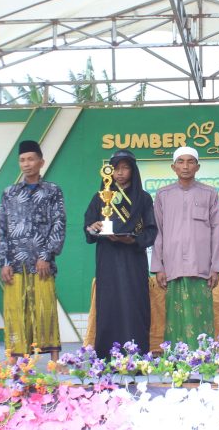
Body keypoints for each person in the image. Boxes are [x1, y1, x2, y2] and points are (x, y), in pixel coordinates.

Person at [0, 140, 65, 362]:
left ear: (41, 162)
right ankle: (14, 359)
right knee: (15, 310)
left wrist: (46, 255)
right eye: (22, 160)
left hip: (41, 263)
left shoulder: (52, 191)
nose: (26, 164)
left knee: (46, 308)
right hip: (15, 262)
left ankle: (54, 359)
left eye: (31, 159)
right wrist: (4, 261)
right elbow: (1, 228)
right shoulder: (10, 193)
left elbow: (59, 223)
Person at [84, 149, 157, 359]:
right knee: (109, 305)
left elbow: (151, 231)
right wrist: (93, 227)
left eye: (125, 168)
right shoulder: (99, 198)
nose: (120, 172)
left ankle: (136, 357)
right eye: (116, 168)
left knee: (135, 305)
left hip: (133, 260)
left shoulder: (143, 198)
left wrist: (133, 239)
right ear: (109, 171)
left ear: (133, 171)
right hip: (107, 261)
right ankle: (107, 357)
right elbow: (88, 229)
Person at [151, 146, 219, 349]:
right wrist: (158, 267)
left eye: (190, 162)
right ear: (173, 167)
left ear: (197, 167)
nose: (185, 166)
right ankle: (176, 358)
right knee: (175, 317)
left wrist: (216, 267)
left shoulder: (209, 193)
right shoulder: (163, 195)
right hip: (172, 265)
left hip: (201, 266)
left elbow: (217, 231)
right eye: (181, 162)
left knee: (201, 314)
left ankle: (203, 357)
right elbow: (158, 231)